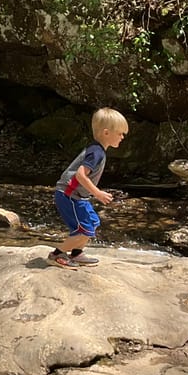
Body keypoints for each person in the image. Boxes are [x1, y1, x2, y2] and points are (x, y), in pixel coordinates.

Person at [48, 107, 128, 268]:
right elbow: (80, 175)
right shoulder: (96, 152)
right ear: (106, 133)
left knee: (92, 222)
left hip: (78, 196)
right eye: (120, 133)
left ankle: (76, 253)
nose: (122, 137)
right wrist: (97, 193)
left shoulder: (98, 150)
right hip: (69, 195)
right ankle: (56, 255)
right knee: (83, 230)